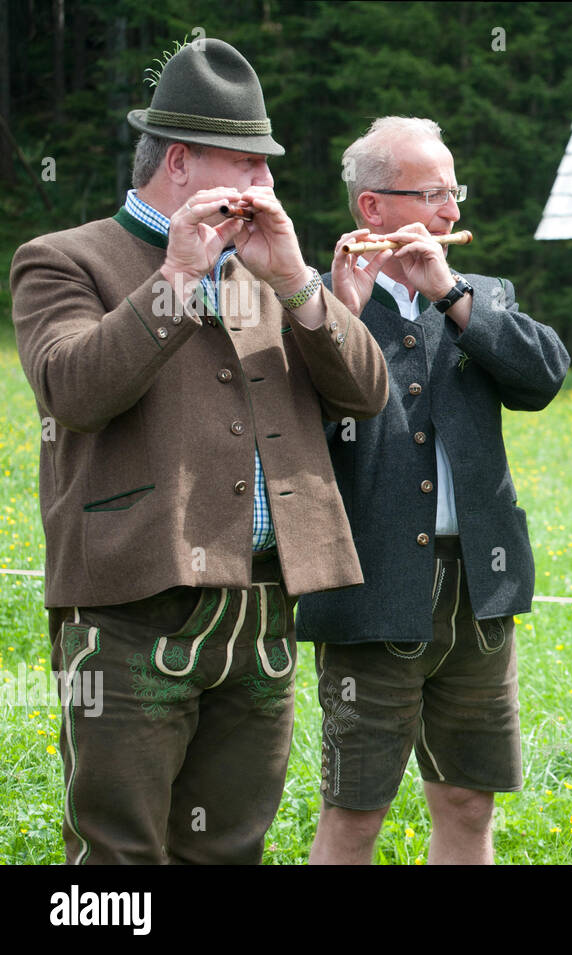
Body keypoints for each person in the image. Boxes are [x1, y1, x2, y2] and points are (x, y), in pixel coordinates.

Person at [9, 38, 389, 864]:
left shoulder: (268, 268)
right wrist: (177, 277)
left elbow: (366, 394)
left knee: (230, 847)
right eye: (248, 167)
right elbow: (72, 391)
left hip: (263, 607)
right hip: (128, 605)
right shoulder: (63, 260)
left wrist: (298, 284)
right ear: (179, 163)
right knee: (118, 852)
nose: (266, 189)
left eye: (268, 169)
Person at [297, 117, 569, 865]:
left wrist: (449, 293)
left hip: (480, 589)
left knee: (466, 802)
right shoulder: (314, 304)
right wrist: (343, 320)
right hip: (370, 594)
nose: (452, 211)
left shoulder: (481, 294)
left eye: (455, 191)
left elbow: (544, 377)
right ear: (372, 210)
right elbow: (291, 429)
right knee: (354, 811)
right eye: (433, 194)